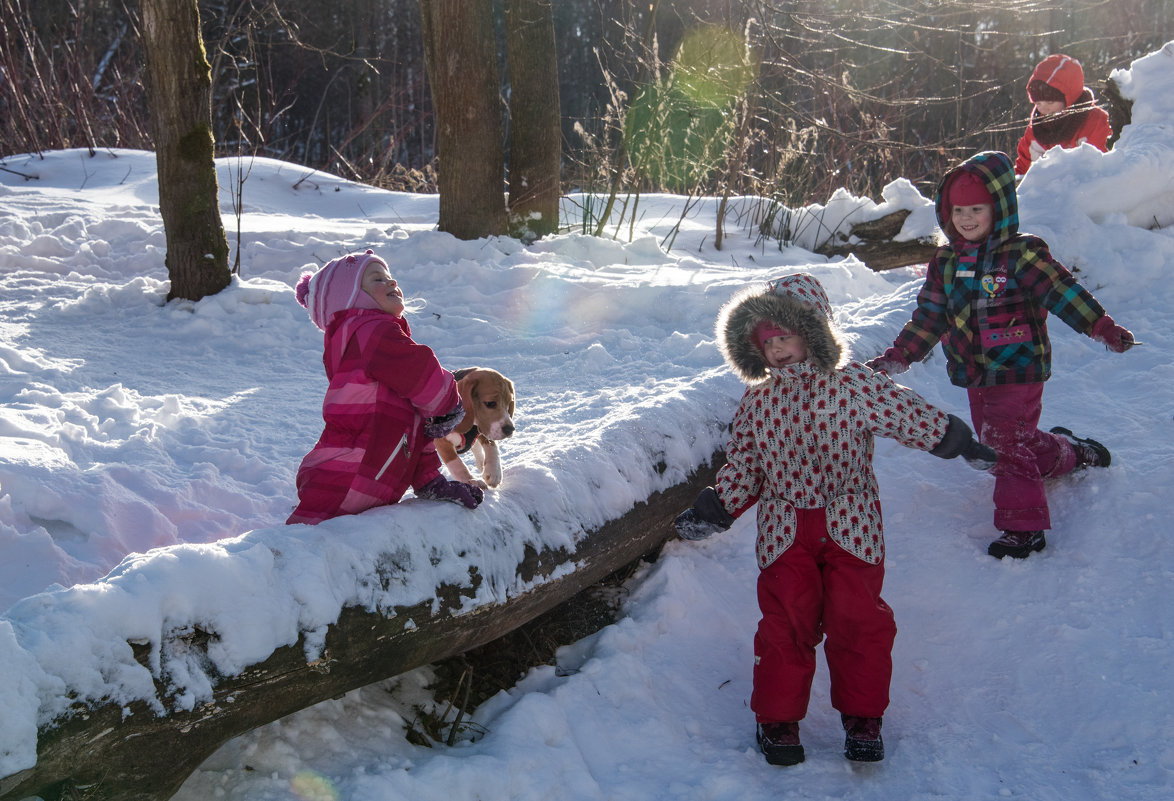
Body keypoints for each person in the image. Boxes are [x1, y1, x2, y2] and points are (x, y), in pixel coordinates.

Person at [673, 273, 996, 767]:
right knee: (785, 623)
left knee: (858, 619)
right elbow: (745, 466)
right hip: (785, 532)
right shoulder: (757, 403)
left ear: (815, 332)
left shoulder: (856, 385)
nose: (778, 349)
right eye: (768, 341)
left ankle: (864, 719)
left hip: (852, 525)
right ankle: (777, 721)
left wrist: (959, 443)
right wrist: (716, 509)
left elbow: (907, 413)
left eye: (787, 336)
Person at [867, 151, 1135, 559]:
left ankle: (1023, 528)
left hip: (1019, 368)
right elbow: (931, 315)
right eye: (959, 210)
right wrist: (900, 356)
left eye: (977, 208)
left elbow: (1062, 292)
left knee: (1002, 443)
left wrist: (1101, 327)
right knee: (1011, 443)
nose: (967, 218)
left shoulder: (1022, 255)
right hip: (974, 372)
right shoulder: (946, 261)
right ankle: (1071, 452)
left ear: (1000, 209)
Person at [287, 250, 483, 525]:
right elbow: (421, 370)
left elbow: (412, 426)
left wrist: (430, 480)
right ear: (353, 298)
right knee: (309, 540)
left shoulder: (372, 339)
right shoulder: (373, 332)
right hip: (346, 477)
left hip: (366, 477)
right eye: (377, 279)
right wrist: (450, 402)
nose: (391, 283)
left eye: (390, 277)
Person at [1014, 53, 1111, 176]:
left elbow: (1100, 164)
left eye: (1050, 101)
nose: (1044, 108)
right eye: (1038, 103)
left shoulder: (1095, 121)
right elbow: (1023, 170)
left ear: (1069, 99)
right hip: (1046, 191)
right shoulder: (1036, 130)